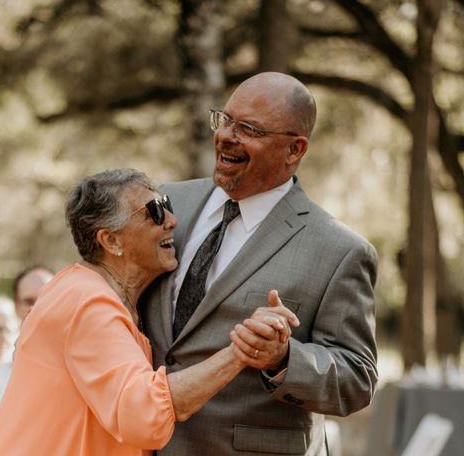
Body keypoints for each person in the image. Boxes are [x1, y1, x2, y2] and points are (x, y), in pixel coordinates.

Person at [0, 169, 293, 456]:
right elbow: (143, 415)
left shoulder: (85, 290)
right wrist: (240, 351)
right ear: (111, 240)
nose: (172, 219)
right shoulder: (85, 302)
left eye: (166, 204)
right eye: (153, 212)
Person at [140, 72, 378, 455]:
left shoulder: (340, 251)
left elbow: (357, 380)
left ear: (295, 150)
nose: (227, 136)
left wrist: (284, 359)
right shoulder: (169, 202)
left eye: (249, 128)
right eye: (226, 120)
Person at [0, 266, 53, 419]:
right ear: (16, 307)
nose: (35, 308)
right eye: (28, 301)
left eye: (45, 298)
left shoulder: (82, 364)